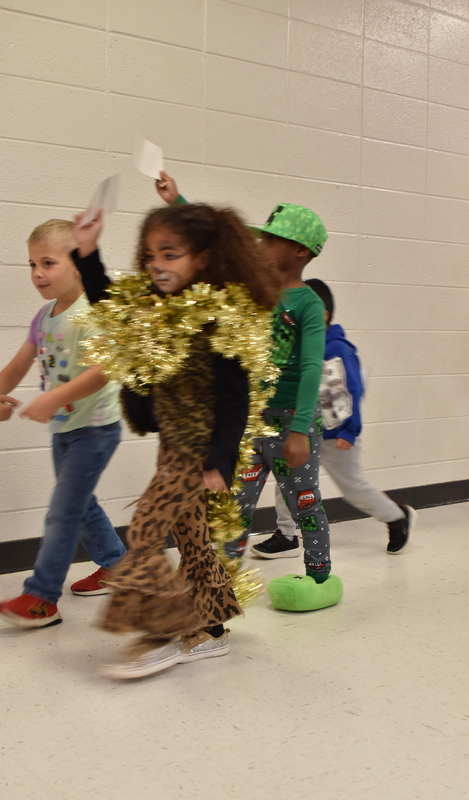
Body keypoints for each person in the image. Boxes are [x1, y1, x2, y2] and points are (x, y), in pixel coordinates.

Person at [72, 202, 280, 678]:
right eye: (150, 256)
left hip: (199, 452)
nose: (158, 265)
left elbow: (235, 398)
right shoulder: (155, 308)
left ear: (202, 258)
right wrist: (87, 252)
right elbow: (110, 304)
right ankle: (210, 630)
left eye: (170, 254)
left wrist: (221, 461)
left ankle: (162, 629)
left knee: (145, 527)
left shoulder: (218, 317)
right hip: (172, 444)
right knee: (192, 540)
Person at [155, 173, 339, 602]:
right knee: (232, 506)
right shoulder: (253, 289)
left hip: (294, 422)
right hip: (251, 421)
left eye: (270, 239)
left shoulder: (308, 303)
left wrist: (299, 429)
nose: (259, 244)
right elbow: (217, 246)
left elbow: (312, 367)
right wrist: (177, 201)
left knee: (304, 503)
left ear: (297, 251)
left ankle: (318, 576)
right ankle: (218, 580)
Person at [0, 220, 125, 629]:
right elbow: (18, 366)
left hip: (97, 429)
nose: (37, 273)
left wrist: (54, 397)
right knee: (81, 505)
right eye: (32, 264)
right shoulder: (43, 317)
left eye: (48, 262)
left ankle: (41, 597)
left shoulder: (91, 312)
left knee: (62, 511)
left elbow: (106, 369)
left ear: (77, 265)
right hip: (66, 430)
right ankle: (118, 567)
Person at [269, 279, 414, 555]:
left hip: (337, 434)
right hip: (304, 430)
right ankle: (286, 534)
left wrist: (350, 430)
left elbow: (352, 390)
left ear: (320, 316)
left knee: (352, 486)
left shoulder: (338, 349)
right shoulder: (298, 348)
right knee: (286, 478)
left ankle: (396, 516)